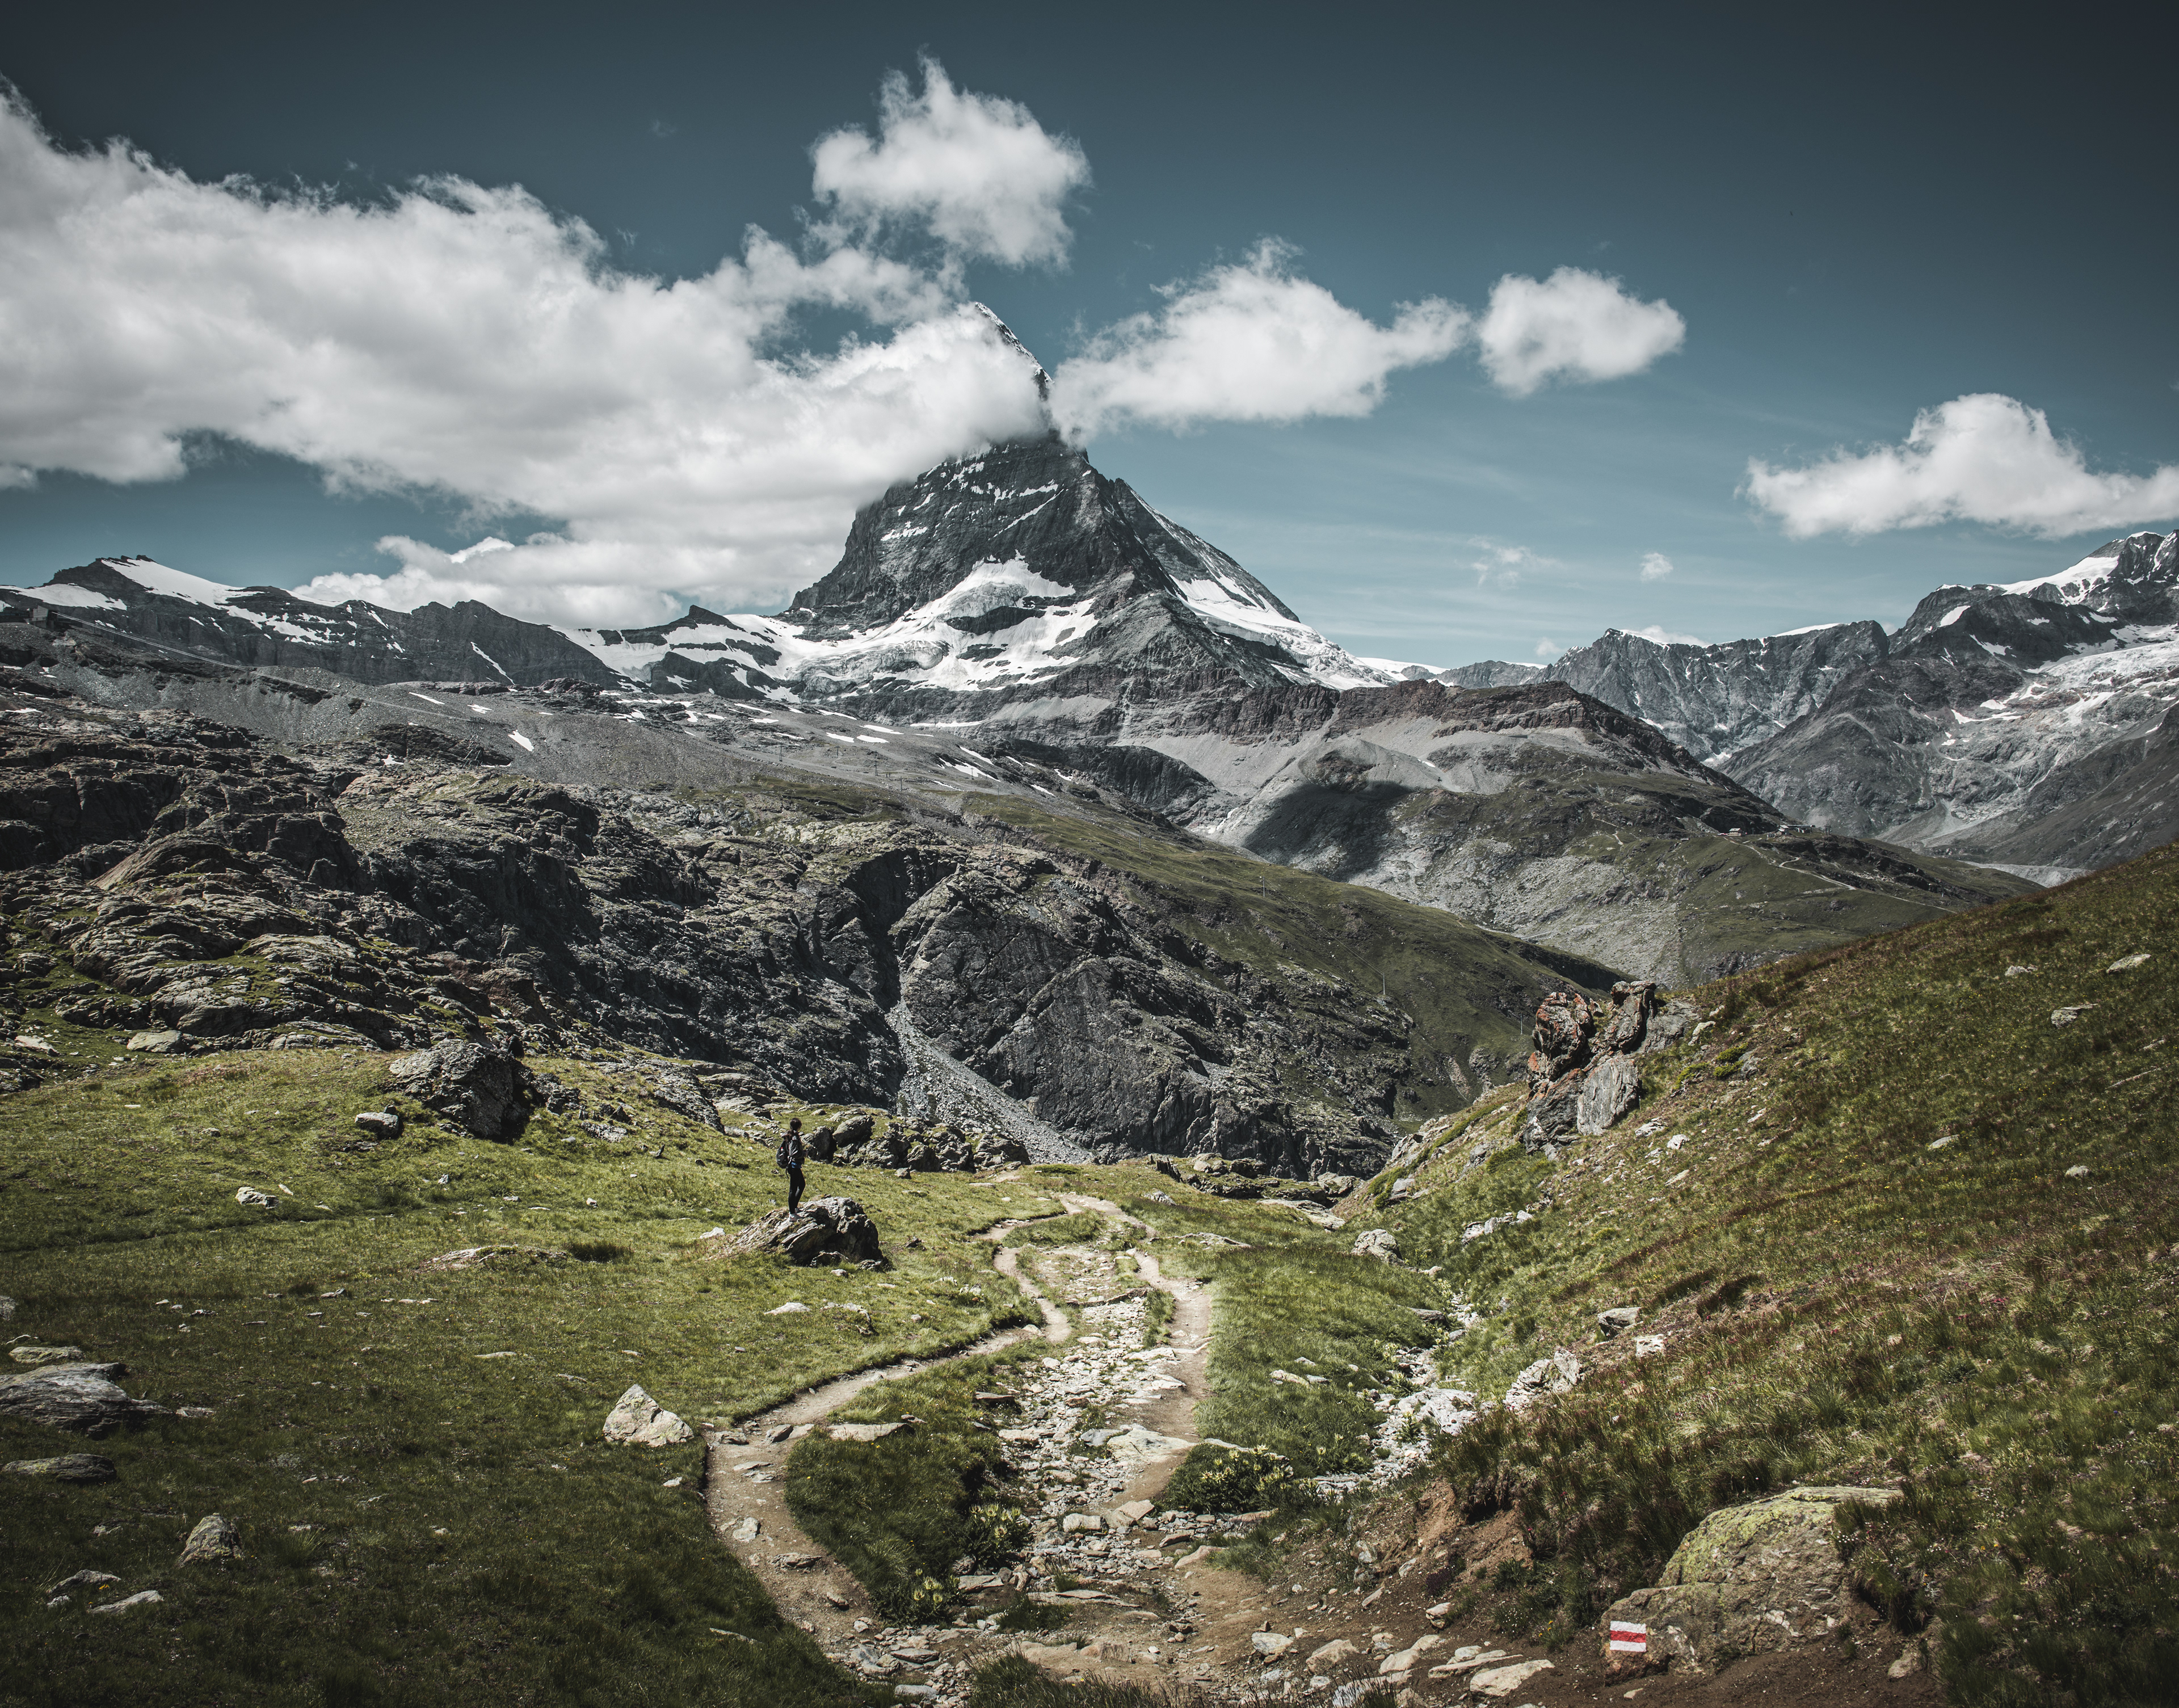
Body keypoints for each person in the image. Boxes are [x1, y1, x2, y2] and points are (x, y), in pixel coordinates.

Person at [775, 1118, 806, 1213]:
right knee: (793, 1190)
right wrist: (804, 1154)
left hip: (792, 1166)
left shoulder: (788, 1135)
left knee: (802, 1185)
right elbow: (794, 1153)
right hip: (794, 1166)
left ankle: (795, 1208)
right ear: (799, 1126)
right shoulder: (794, 1137)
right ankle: (792, 1214)